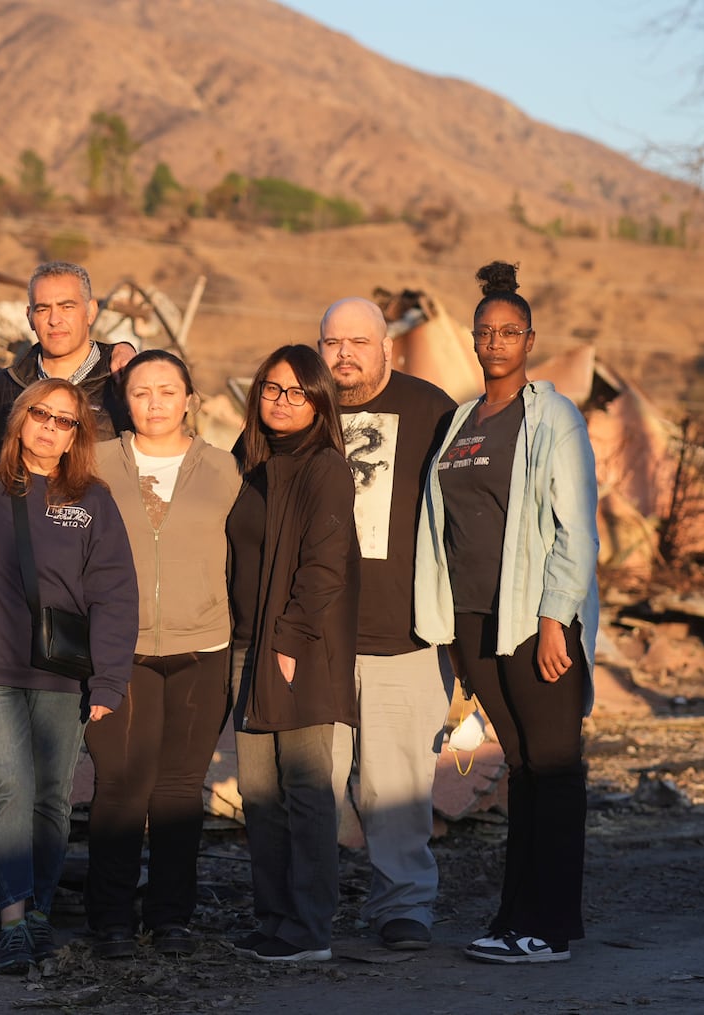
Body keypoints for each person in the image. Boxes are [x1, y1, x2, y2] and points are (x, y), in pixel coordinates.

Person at [414, 261, 600, 964]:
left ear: (530, 339)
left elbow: (575, 525)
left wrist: (558, 618)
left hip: (533, 619)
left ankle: (549, 927)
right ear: (472, 339)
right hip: (471, 620)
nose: (496, 341)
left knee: (554, 766)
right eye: (486, 331)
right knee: (522, 764)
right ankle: (514, 916)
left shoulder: (552, 415)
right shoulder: (461, 421)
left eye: (510, 331)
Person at [0, 378, 138, 973]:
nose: (50, 427)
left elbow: (115, 592)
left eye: (65, 421)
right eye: (41, 413)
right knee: (7, 787)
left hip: (62, 672)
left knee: (53, 796)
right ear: (19, 419)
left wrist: (110, 680)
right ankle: (12, 919)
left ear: (76, 435)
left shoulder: (92, 499)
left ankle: (36, 910)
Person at [87, 350, 241, 958]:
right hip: (120, 650)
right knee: (121, 785)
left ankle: (171, 917)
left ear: (188, 400)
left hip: (202, 646)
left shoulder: (223, 469)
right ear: (125, 400)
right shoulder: (96, 464)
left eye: (167, 391)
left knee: (179, 788)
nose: (154, 403)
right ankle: (111, 919)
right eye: (141, 392)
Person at [317, 297, 458, 951]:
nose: (344, 354)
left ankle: (404, 904)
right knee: (312, 782)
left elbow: (467, 515)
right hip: (316, 635)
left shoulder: (432, 411)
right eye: (333, 342)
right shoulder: (299, 406)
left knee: (396, 783)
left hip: (405, 633)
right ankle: (303, 905)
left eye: (359, 342)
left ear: (388, 348)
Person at [224, 345, 359, 963]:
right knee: (258, 792)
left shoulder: (325, 466)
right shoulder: (245, 461)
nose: (281, 401)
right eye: (272, 389)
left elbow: (325, 564)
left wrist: (291, 640)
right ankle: (274, 917)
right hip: (244, 644)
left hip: (294, 647)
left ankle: (310, 929)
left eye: (296, 392)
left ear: (318, 402)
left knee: (305, 789)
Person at [0, 262, 131, 457]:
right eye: (43, 309)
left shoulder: (125, 383)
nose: (54, 319)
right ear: (29, 317)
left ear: (91, 311)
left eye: (67, 307)